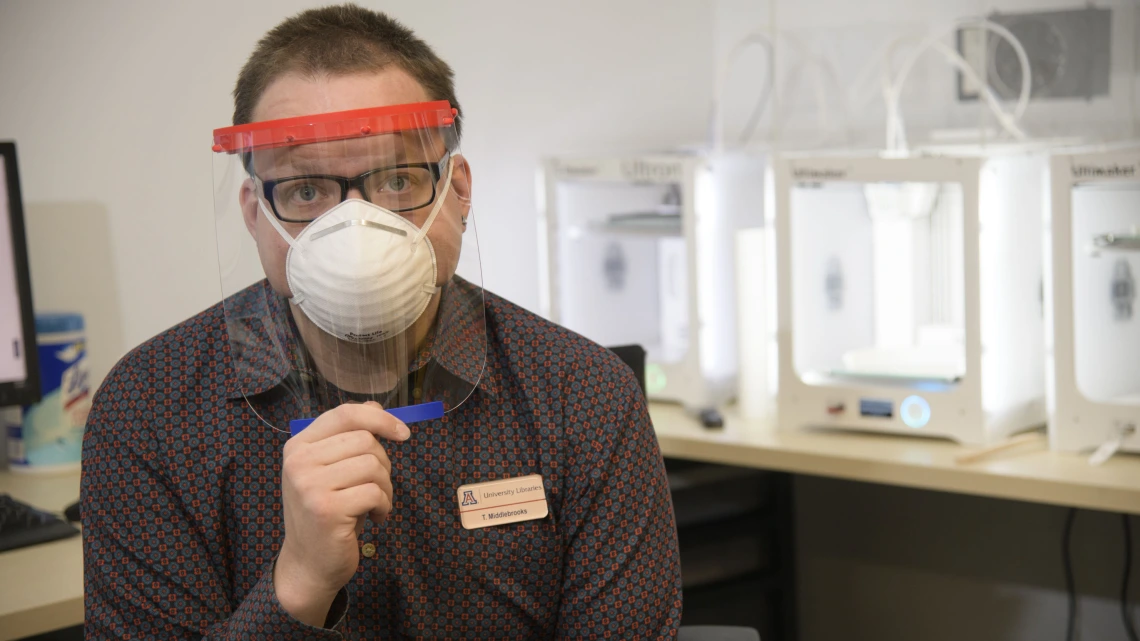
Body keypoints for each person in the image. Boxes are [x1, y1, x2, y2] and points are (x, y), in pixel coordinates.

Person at [81, 4, 682, 639]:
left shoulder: (582, 395)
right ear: (255, 213)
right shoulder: (150, 409)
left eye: (398, 178)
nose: (358, 228)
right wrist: (300, 584)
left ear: (459, 190)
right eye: (307, 191)